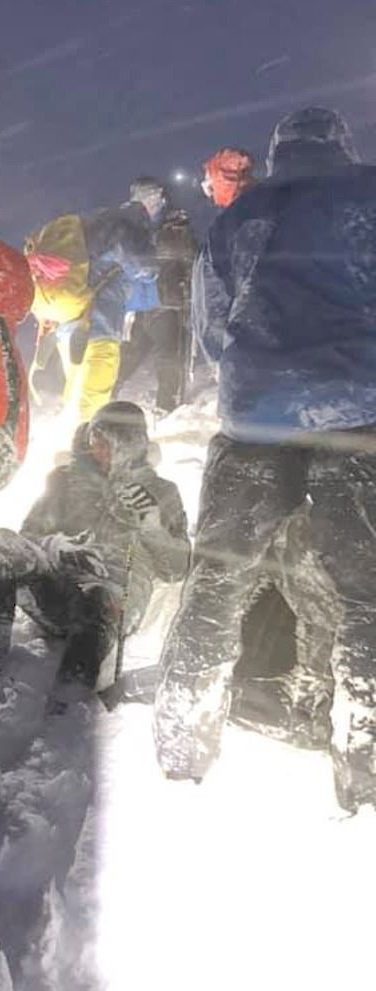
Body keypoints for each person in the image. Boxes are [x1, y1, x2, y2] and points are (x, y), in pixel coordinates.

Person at [153, 107, 376, 811]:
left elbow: (215, 333)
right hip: (360, 414)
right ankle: (364, 765)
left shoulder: (238, 218)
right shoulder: (367, 198)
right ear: (341, 147)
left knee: (218, 577)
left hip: (254, 414)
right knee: (366, 592)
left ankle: (183, 741)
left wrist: (265, 376)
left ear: (280, 153)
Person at [0, 402, 189, 704]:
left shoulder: (162, 492)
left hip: (112, 603)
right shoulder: (65, 480)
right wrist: (57, 546)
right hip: (57, 590)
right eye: (95, 443)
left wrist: (153, 527)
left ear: (131, 446)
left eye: (108, 446)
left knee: (97, 596)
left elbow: (177, 569)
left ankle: (66, 699)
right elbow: (29, 534)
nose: (98, 452)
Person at [26, 194, 157, 426]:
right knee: (97, 378)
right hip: (100, 316)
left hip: (66, 315)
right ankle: (88, 437)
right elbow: (143, 268)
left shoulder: (89, 228)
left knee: (76, 376)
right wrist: (153, 266)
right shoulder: (125, 228)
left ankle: (75, 424)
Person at [114, 178, 197, 414]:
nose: (153, 202)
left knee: (169, 357)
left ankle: (166, 407)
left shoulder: (175, 227)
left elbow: (189, 261)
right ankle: (103, 398)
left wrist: (188, 296)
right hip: (136, 305)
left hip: (166, 302)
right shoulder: (128, 228)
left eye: (156, 197)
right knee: (127, 356)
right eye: (145, 197)